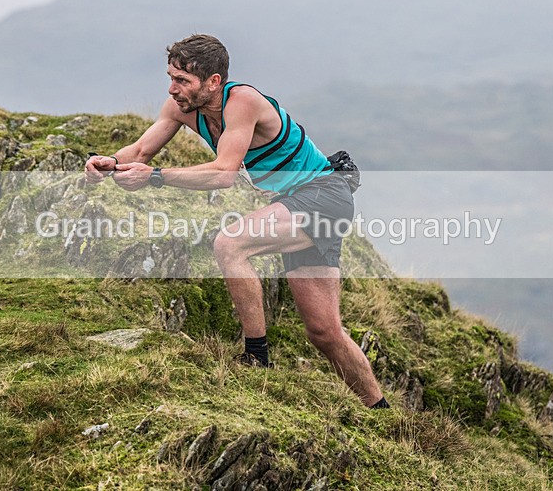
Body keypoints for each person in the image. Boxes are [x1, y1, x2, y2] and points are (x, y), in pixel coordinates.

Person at [85, 34, 388, 409]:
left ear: (214, 82)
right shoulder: (180, 107)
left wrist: (156, 176)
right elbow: (141, 150)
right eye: (171, 76)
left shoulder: (241, 102)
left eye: (182, 81)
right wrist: (109, 162)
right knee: (324, 332)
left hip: (324, 196)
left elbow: (224, 173)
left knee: (230, 243)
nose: (172, 88)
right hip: (297, 202)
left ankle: (255, 357)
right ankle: (380, 410)